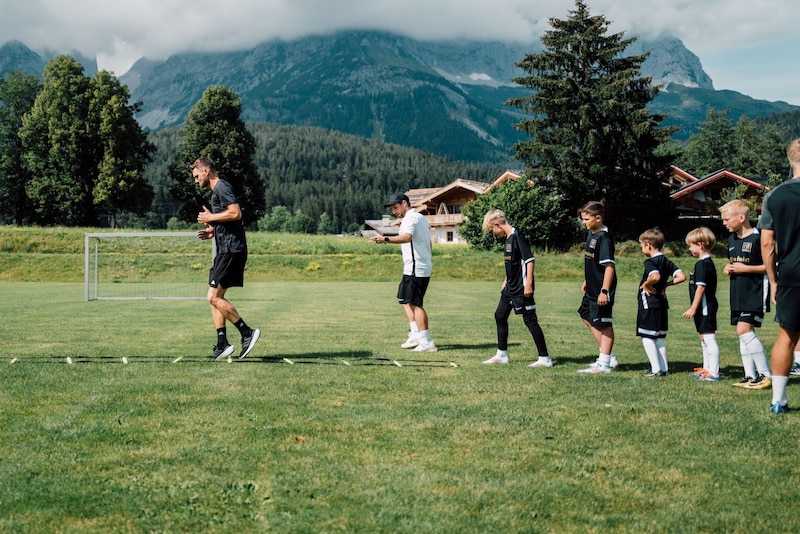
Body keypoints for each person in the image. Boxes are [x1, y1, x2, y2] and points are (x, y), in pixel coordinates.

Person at [193, 157, 260, 360]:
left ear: (206, 171)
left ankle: (247, 332)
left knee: (212, 297)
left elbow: (235, 213)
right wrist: (213, 231)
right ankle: (222, 344)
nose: (196, 181)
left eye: (197, 176)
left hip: (231, 250)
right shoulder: (217, 191)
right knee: (216, 299)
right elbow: (228, 219)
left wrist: (210, 218)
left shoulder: (222, 187)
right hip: (226, 249)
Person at [480, 210, 552, 367]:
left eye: (492, 230)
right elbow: (514, 263)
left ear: (497, 225)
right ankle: (501, 355)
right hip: (510, 288)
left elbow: (529, 260)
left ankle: (544, 358)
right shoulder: (507, 239)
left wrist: (528, 284)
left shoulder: (517, 237)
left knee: (530, 320)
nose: (493, 233)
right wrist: (506, 279)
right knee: (500, 315)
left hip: (521, 288)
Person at [759, 137, 800, 414]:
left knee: (786, 336)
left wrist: (773, 280)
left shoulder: (775, 196)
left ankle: (778, 400)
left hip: (791, 275)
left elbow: (766, 244)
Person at [369, 192, 437, 352]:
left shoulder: (410, 219)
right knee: (403, 299)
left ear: (405, 203)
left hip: (416, 268)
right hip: (414, 267)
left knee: (416, 304)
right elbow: (427, 243)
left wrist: (384, 239)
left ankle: (426, 341)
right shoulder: (420, 218)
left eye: (395, 207)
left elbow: (406, 237)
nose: (394, 212)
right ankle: (415, 333)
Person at [719, 200, 771, 390]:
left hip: (755, 292)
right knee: (743, 333)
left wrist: (746, 269)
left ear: (741, 218)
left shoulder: (759, 238)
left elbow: (771, 267)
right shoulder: (732, 240)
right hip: (738, 293)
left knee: (743, 330)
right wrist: (729, 268)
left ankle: (765, 375)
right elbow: (736, 264)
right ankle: (750, 375)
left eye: (726, 219)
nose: (724, 223)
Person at [636, 228, 685, 377]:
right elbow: (681, 277)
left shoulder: (650, 262)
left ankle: (656, 369)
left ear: (648, 245)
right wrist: (667, 285)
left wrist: (646, 285)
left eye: (641, 245)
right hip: (662, 303)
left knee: (647, 337)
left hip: (648, 302)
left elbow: (655, 276)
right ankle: (663, 369)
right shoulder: (666, 261)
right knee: (659, 338)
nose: (641, 248)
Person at [576, 201, 618, 374]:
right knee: (585, 314)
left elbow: (609, 267)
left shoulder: (604, 238)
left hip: (602, 289)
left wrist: (604, 291)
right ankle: (607, 356)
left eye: (586, 219)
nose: (584, 222)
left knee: (604, 323)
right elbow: (594, 262)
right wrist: (587, 280)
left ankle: (605, 364)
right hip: (592, 287)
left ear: (598, 218)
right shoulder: (592, 234)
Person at [682, 227, 720, 381]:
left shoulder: (703, 265)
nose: (689, 248)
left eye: (690, 245)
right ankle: (706, 368)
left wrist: (693, 307)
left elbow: (701, 287)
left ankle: (714, 372)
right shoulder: (702, 263)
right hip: (702, 308)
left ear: (700, 245)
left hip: (705, 307)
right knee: (703, 338)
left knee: (709, 338)